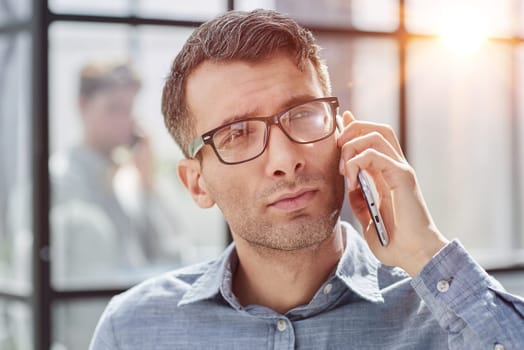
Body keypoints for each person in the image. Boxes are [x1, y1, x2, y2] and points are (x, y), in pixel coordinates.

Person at [90, 10, 524, 349]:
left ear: (344, 131)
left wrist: (427, 251)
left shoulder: (447, 317)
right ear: (197, 184)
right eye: (237, 133)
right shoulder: (132, 331)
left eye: (302, 114)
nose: (286, 159)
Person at [50, 61, 182, 288]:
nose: (123, 120)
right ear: (82, 106)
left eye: (128, 110)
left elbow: (174, 256)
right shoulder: (59, 180)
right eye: (113, 108)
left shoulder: (132, 180)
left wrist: (148, 182)